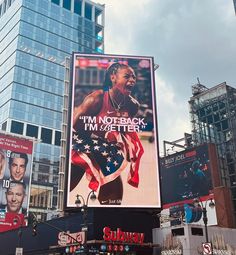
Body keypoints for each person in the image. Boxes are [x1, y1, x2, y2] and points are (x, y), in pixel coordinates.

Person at [71, 62, 144, 205]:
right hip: (83, 141)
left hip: (105, 148)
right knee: (67, 181)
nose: (132, 80)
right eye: (127, 76)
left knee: (114, 195)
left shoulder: (132, 106)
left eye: (134, 77)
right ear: (113, 77)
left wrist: (126, 145)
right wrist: (96, 140)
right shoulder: (96, 99)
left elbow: (123, 129)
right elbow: (73, 126)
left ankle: (107, 220)